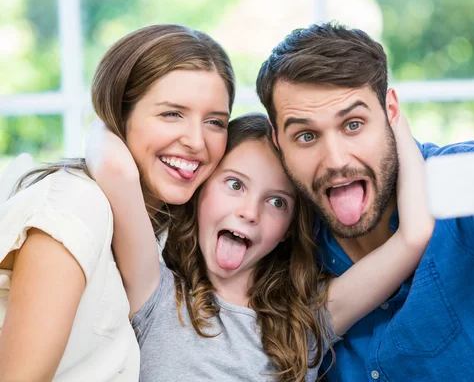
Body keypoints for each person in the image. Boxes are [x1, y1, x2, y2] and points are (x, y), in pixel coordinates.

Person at [255, 22, 474, 381]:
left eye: (353, 125)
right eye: (305, 135)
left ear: (391, 112)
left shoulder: (455, 179)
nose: (335, 160)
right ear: (278, 142)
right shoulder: (288, 246)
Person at [84, 113, 433, 382]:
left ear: (286, 231)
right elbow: (113, 163)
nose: (249, 212)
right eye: (235, 184)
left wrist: (392, 114)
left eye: (277, 202)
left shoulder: (306, 319)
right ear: (201, 190)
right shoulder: (156, 293)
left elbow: (414, 235)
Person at [0, 23, 235, 381]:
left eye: (215, 121)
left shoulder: (167, 231)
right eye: (172, 114)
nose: (196, 141)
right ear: (119, 115)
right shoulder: (76, 206)